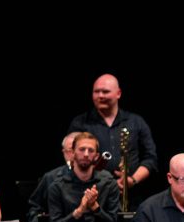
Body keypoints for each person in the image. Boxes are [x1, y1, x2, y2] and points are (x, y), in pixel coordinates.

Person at [67, 74, 158, 203]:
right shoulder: (80, 123)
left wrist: (132, 180)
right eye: (96, 92)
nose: (100, 96)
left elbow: (150, 158)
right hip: (93, 196)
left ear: (118, 93)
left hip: (132, 196)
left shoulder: (136, 122)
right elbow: (70, 157)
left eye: (105, 91)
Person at [46, 132, 119, 222]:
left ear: (97, 156)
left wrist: (95, 206)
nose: (86, 154)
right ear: (72, 153)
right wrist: (79, 210)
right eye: (81, 149)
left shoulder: (108, 183)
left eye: (91, 150)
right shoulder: (57, 186)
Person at [25, 133, 77, 222]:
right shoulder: (51, 177)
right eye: (71, 150)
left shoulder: (100, 178)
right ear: (64, 153)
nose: (75, 155)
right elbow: (34, 209)